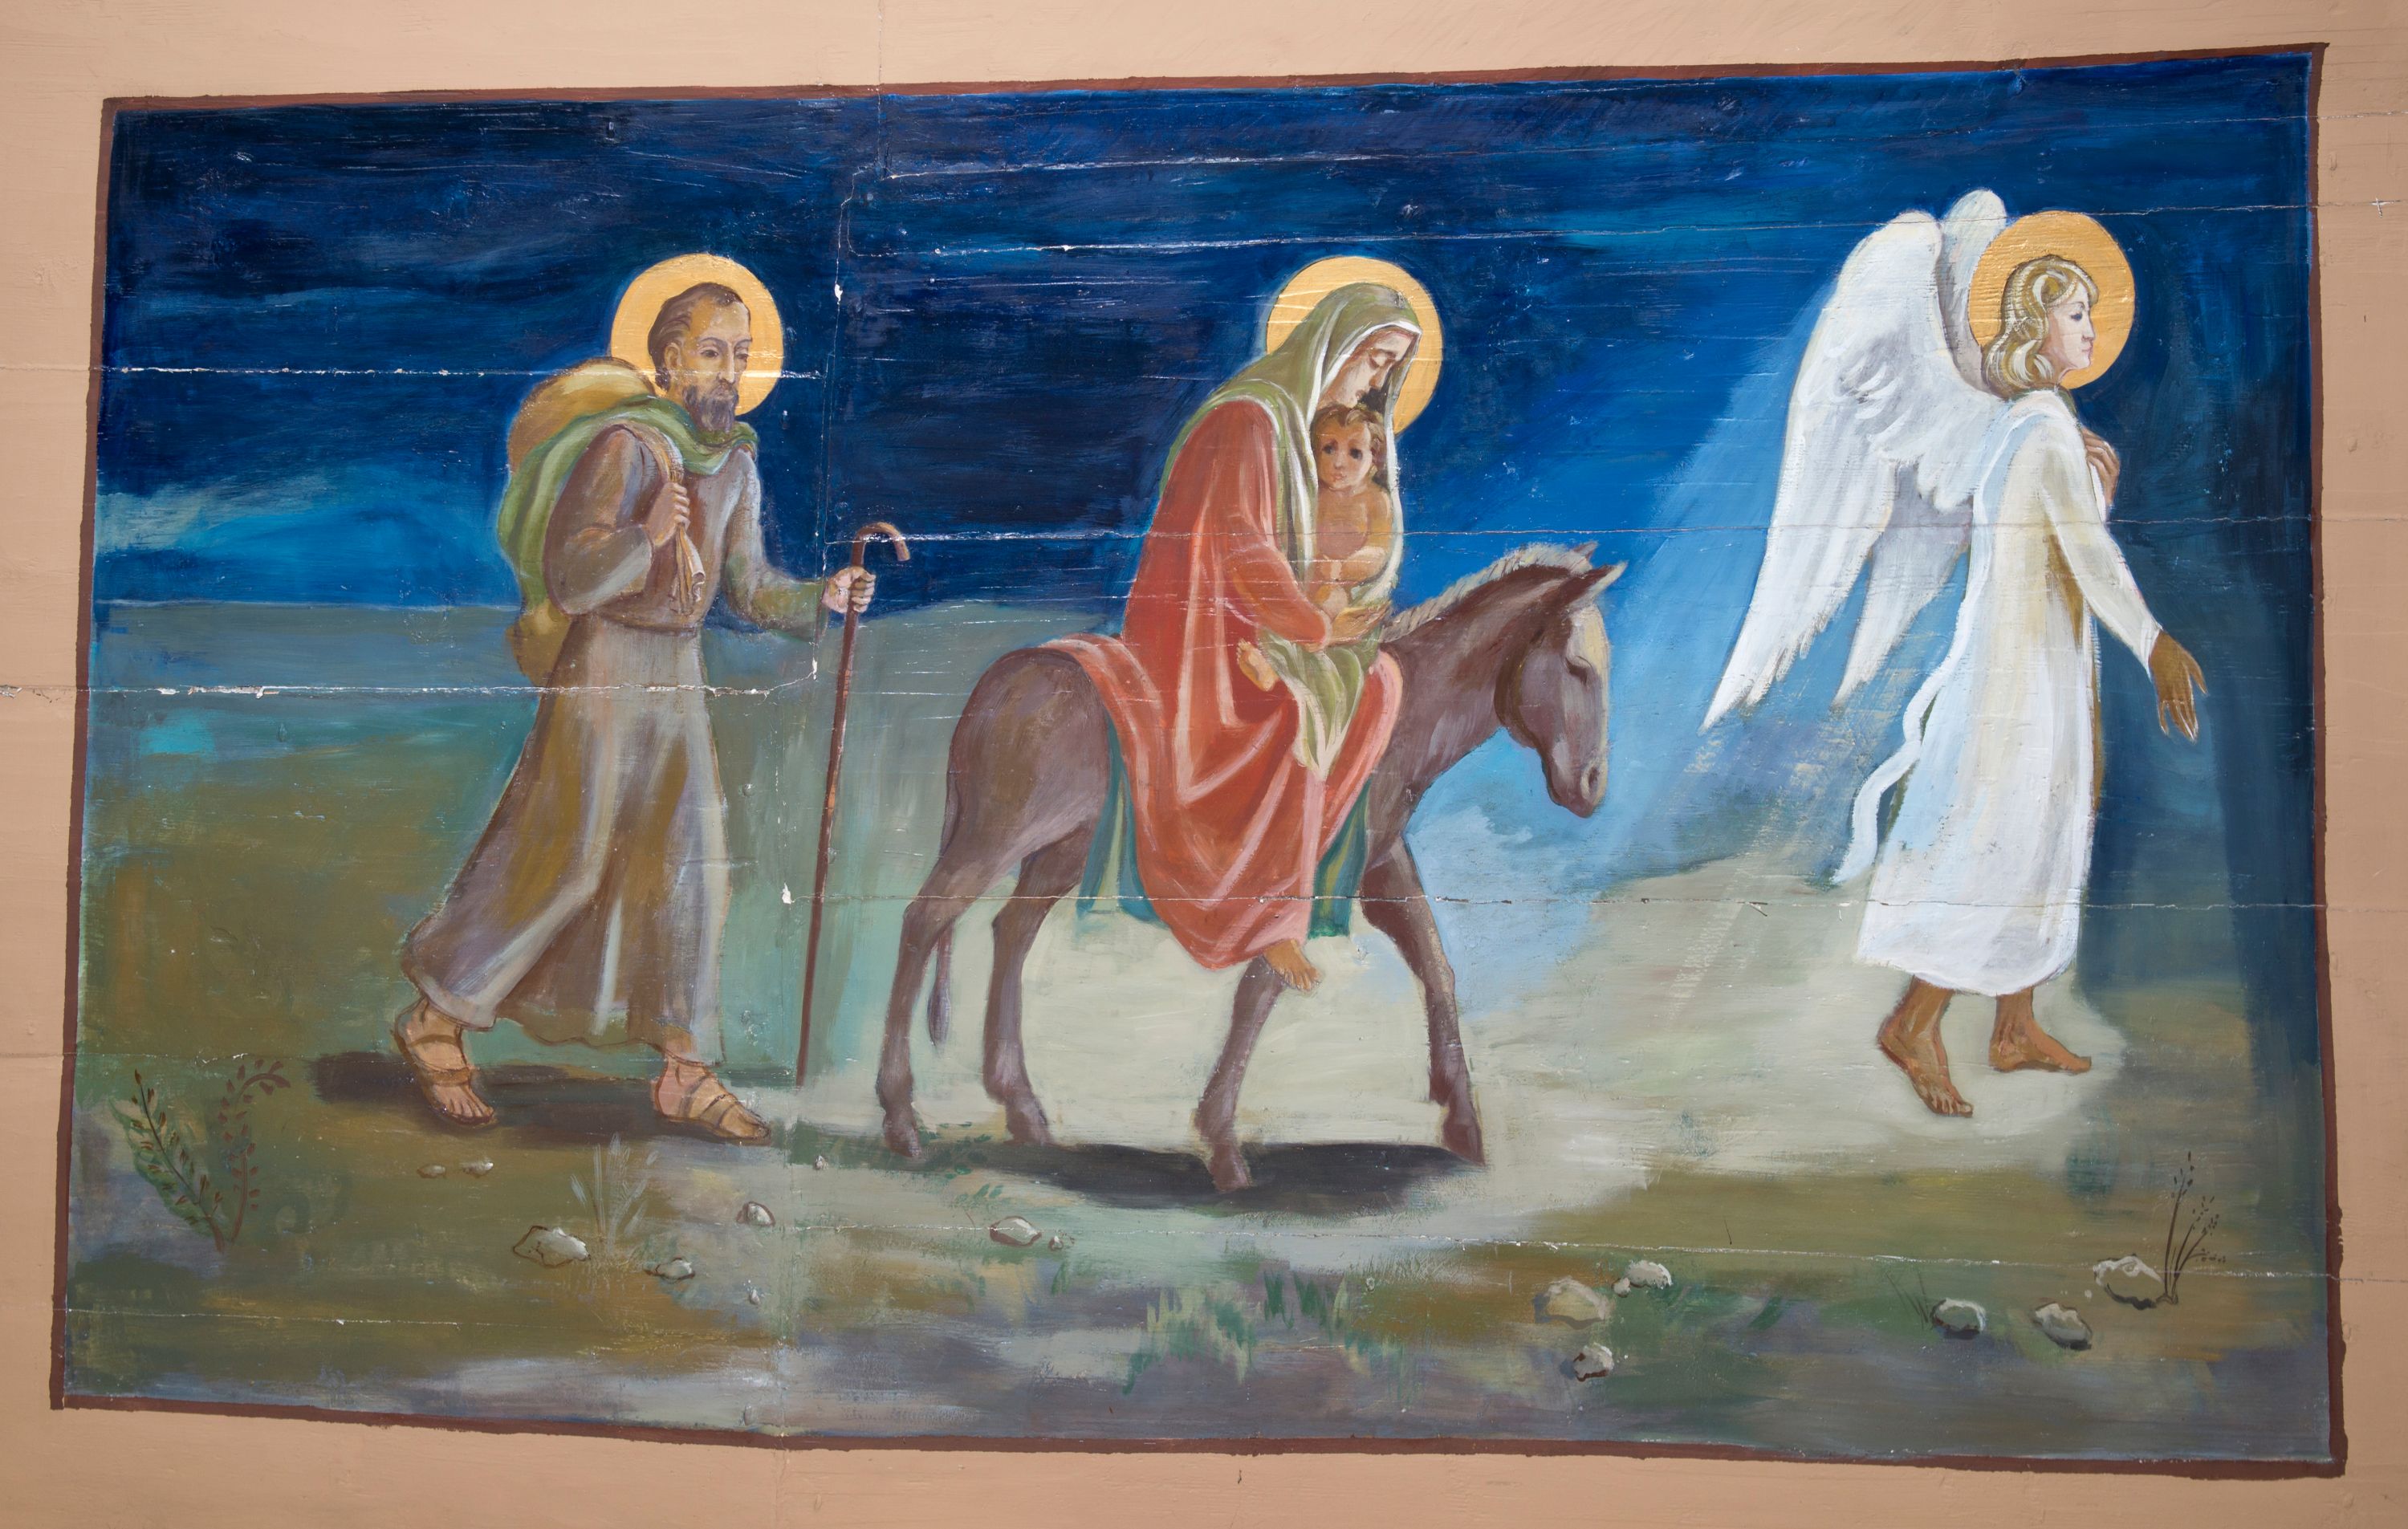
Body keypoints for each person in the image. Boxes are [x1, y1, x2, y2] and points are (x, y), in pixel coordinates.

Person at [393, 275, 873, 1141]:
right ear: (668, 361)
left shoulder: (735, 463)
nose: (727, 373)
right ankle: (436, 1019)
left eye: (740, 355)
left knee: (689, 866)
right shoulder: (626, 446)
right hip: (606, 667)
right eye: (710, 353)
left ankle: (686, 1071)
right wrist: (646, 537)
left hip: (676, 673)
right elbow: (573, 580)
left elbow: (749, 587)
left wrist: (823, 598)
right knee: (566, 856)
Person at [1856, 253, 2203, 1114]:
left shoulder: (2035, 427)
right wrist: (2154, 641)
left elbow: (2063, 536)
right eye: (2076, 314)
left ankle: (2013, 1027)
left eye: (2090, 314)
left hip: (2041, 665)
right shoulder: (2041, 432)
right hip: (2019, 680)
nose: (2090, 330)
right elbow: (2088, 556)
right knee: (2002, 836)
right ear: (2034, 328)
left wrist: (2095, 487)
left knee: (2047, 828)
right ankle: (1912, 1022)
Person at [1052, 283, 1419, 992]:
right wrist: (1317, 628)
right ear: (1332, 344)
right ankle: (1265, 920)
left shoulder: (1299, 427)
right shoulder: (1250, 418)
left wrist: (1336, 607)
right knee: (1298, 711)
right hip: (1203, 636)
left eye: (1389, 368)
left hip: (1265, 620)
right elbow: (1245, 550)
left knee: (1378, 683)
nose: (1377, 381)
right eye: (1373, 359)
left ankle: (1303, 878)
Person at [1236, 401, 1396, 692]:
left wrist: (1343, 568)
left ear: (1374, 461)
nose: (1338, 463)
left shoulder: (1376, 500)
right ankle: (1267, 653)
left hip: (1341, 585)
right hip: (1301, 575)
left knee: (1331, 601)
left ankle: (1277, 670)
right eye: (1329, 449)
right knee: (1279, 601)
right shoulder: (1310, 493)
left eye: (1355, 453)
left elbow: (1378, 551)